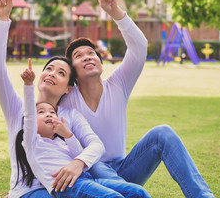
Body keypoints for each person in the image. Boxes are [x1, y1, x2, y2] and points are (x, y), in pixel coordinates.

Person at [60, 0, 215, 197]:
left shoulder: (118, 84)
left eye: (91, 53)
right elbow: (35, 131)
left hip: (123, 171)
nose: (87, 56)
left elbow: (139, 47)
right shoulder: (67, 100)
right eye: (78, 56)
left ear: (101, 62)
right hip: (89, 174)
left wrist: (115, 12)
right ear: (72, 71)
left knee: (163, 133)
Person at [0, 0, 145, 197]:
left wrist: (79, 162)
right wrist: (3, 19)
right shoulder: (18, 110)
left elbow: (95, 146)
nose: (52, 73)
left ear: (67, 89)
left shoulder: (69, 115)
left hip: (71, 187)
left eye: (61, 73)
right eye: (49, 69)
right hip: (33, 191)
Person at [18, 62, 151, 197]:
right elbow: (29, 113)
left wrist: (68, 135)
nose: (48, 114)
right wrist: (28, 85)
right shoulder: (31, 142)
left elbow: (78, 153)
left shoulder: (60, 142)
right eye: (41, 112)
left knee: (137, 191)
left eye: (52, 113)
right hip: (68, 186)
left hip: (87, 179)